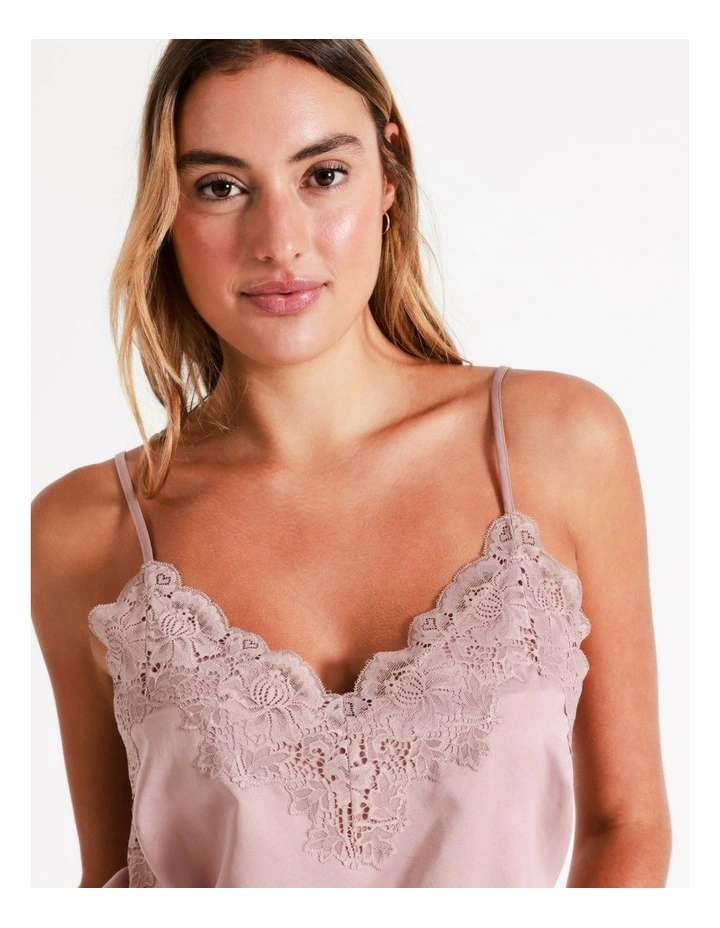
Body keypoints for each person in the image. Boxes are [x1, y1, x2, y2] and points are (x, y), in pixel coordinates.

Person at [31, 39, 672, 888]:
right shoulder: (87, 529)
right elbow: (111, 877)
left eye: (323, 175)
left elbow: (627, 825)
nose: (279, 241)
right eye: (220, 187)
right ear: (164, 211)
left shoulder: (554, 442)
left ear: (388, 177)